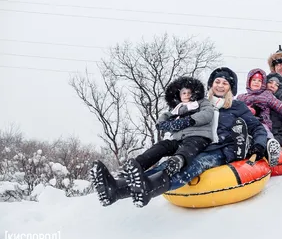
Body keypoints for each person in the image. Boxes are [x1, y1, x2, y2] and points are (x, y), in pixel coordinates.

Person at [90, 67, 269, 208]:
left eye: (225, 83)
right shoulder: (196, 104)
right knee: (165, 165)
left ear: (231, 88)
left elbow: (257, 128)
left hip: (220, 149)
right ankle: (116, 189)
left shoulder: (237, 107)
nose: (220, 85)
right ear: (211, 85)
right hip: (193, 144)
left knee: (195, 164)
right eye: (217, 81)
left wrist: (260, 145)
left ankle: (149, 189)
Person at [236, 68, 282, 166]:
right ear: (248, 82)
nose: (272, 86)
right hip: (244, 124)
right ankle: (239, 146)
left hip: (261, 124)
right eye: (254, 80)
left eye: (259, 81)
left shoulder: (267, 97)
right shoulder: (241, 97)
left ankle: (270, 147)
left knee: (263, 132)